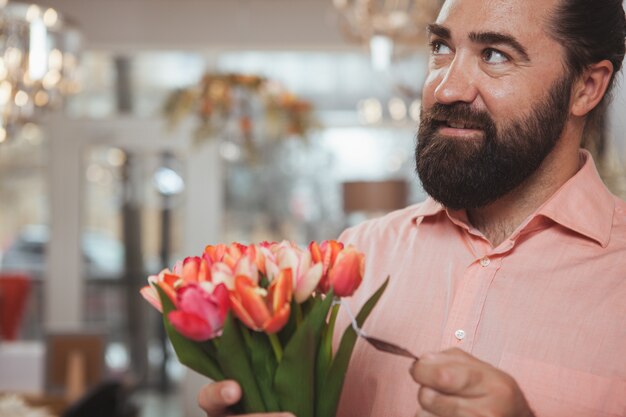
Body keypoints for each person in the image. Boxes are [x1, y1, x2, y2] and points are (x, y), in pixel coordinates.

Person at [198, 0, 626, 416]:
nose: (446, 88)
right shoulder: (356, 257)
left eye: (494, 55)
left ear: (585, 87)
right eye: (441, 48)